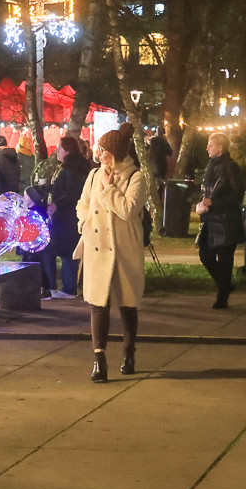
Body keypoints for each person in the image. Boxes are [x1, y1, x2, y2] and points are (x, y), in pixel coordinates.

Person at [74, 122, 146, 382]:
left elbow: (128, 210)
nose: (98, 153)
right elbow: (82, 205)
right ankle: (99, 360)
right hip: (97, 247)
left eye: (103, 149)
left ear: (115, 152)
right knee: (98, 304)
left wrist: (108, 189)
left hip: (124, 249)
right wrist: (85, 222)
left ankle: (128, 353)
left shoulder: (135, 177)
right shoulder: (93, 175)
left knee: (127, 304)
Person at [196, 132, 245, 309]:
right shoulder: (211, 165)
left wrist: (215, 202)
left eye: (211, 144)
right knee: (205, 254)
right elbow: (207, 189)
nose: (207, 147)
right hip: (211, 218)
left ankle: (222, 296)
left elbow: (238, 193)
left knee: (225, 259)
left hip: (226, 221)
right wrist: (203, 202)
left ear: (221, 148)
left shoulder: (231, 167)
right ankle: (225, 284)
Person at [44, 136, 92, 299]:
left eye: (60, 148)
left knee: (68, 251)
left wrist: (57, 204)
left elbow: (72, 192)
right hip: (69, 216)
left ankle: (69, 288)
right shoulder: (77, 167)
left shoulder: (71, 169)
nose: (57, 151)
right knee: (66, 250)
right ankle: (66, 286)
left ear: (68, 150)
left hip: (68, 216)